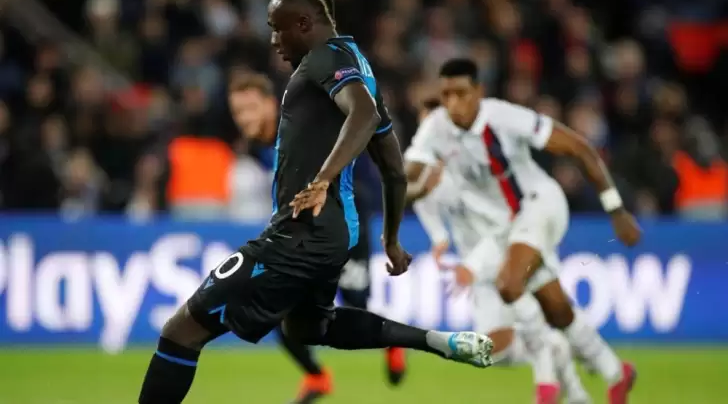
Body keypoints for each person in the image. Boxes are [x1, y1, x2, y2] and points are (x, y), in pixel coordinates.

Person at [136, 0, 493, 404]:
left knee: (180, 331)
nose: (273, 40)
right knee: (306, 327)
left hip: (300, 234)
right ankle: (435, 341)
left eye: (277, 28)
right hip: (331, 236)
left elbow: (363, 115)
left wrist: (324, 178)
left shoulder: (326, 58)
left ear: (304, 24)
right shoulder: (360, 67)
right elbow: (393, 170)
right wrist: (393, 238)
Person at [404, 58, 641, 404]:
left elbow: (578, 147)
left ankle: (546, 384)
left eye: (461, 94)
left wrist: (615, 208)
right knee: (556, 309)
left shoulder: (504, 117)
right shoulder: (437, 130)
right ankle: (614, 372)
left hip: (539, 204)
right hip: (509, 229)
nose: (453, 103)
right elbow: (403, 183)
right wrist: (415, 194)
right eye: (446, 96)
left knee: (509, 283)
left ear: (479, 92)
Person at [227, 72, 406, 403]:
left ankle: (391, 340)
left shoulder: (299, 126)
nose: (244, 118)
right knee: (274, 308)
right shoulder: (255, 148)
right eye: (238, 112)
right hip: (303, 229)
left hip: (345, 219)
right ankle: (318, 377)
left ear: (271, 104)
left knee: (355, 300)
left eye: (251, 108)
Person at [411, 98, 591, 404]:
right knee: (493, 349)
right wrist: (439, 237)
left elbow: (507, 217)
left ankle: (558, 387)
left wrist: (475, 262)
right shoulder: (430, 174)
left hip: (507, 254)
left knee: (527, 321)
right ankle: (559, 357)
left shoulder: (476, 166)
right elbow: (422, 201)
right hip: (478, 267)